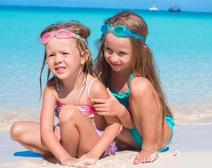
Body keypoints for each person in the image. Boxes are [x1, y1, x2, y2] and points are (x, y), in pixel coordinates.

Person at [10, 21, 121, 167]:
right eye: (51, 55)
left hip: (93, 142)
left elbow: (114, 125)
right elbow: (46, 130)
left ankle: (63, 154)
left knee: (68, 111)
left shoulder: (93, 87)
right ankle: (65, 155)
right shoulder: (52, 88)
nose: (57, 60)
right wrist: (63, 158)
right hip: (67, 139)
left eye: (64, 53)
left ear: (83, 57)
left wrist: (94, 153)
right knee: (16, 130)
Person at [92, 11, 175, 164]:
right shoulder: (103, 76)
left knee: (139, 86)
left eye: (122, 53)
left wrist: (119, 111)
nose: (113, 58)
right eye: (108, 50)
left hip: (156, 134)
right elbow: (104, 123)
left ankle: (149, 147)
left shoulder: (137, 79)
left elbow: (132, 122)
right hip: (127, 134)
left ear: (140, 52)